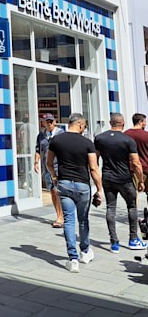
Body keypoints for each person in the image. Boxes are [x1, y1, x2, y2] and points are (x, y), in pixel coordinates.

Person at [47, 113, 103, 273]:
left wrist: (54, 177)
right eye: (84, 126)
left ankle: (73, 259)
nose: (84, 129)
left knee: (69, 221)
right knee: (83, 220)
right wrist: (99, 189)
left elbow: (49, 163)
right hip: (82, 185)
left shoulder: (56, 140)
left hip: (64, 184)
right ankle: (85, 252)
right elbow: (93, 168)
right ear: (79, 123)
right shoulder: (87, 143)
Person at [94, 113, 146, 252]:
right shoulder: (127, 140)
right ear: (122, 124)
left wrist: (97, 176)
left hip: (108, 178)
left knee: (111, 208)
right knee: (132, 207)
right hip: (125, 179)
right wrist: (141, 181)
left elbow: (94, 159)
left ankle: (114, 243)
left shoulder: (100, 138)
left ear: (110, 123)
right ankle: (133, 239)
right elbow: (136, 163)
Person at [34, 114, 65, 227]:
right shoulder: (41, 135)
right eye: (47, 122)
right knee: (52, 191)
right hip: (47, 167)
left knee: (58, 191)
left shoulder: (61, 134)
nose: (49, 124)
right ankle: (59, 215)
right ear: (43, 123)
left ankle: (62, 216)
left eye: (51, 121)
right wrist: (36, 162)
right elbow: (38, 149)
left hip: (59, 166)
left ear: (54, 122)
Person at [125, 113, 148, 196]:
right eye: (144, 122)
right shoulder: (146, 135)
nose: (145, 124)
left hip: (130, 169)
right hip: (145, 168)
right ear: (140, 122)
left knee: (133, 196)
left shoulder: (125, 134)